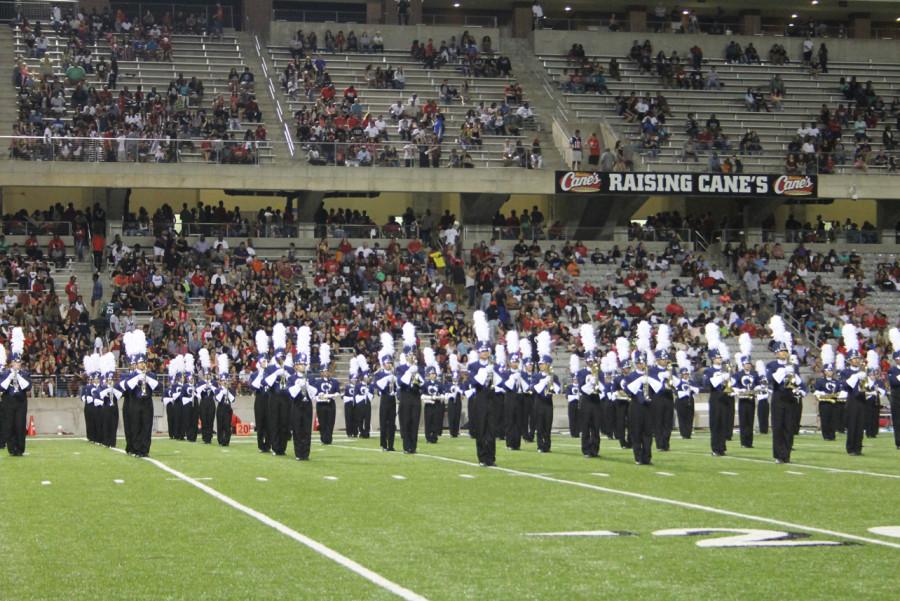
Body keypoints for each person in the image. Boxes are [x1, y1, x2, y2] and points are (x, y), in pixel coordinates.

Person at [766, 317, 804, 464]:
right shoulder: (772, 365)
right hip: (778, 398)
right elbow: (771, 380)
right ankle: (778, 454)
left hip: (790, 398)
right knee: (778, 427)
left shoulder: (793, 366)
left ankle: (787, 454)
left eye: (785, 350)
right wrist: (783, 370)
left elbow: (799, 382)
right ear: (776, 352)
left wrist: (794, 375)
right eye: (781, 351)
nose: (784, 353)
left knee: (789, 427)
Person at [118, 330, 158, 458]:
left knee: (147, 426)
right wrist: (138, 376)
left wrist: (145, 376)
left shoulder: (150, 374)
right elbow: (126, 387)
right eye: (140, 363)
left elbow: (157, 386)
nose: (142, 365)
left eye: (143, 362)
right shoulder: (129, 376)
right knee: (134, 426)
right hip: (134, 402)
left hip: (147, 402)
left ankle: (144, 449)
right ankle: (135, 448)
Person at [622, 329, 654, 466]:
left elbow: (658, 389)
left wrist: (650, 379)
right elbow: (629, 390)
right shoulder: (630, 376)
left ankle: (647, 456)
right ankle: (638, 456)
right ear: (635, 362)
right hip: (635, 407)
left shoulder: (651, 374)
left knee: (648, 433)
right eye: (640, 362)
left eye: (644, 362)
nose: (642, 364)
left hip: (648, 407)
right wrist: (641, 380)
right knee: (636, 432)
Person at [470, 311, 496, 466]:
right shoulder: (474, 365)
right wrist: (484, 371)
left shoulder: (493, 365)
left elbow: (499, 384)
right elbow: (475, 383)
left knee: (491, 429)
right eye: (483, 351)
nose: (485, 353)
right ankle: (482, 457)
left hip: (492, 398)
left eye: (487, 350)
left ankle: (491, 457)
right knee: (481, 428)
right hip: (480, 398)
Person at [1, 329, 32, 457]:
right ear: (11, 363)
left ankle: (20, 448)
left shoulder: (25, 374)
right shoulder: (4, 374)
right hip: (8, 401)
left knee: (19, 425)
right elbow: (2, 387)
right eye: (15, 362)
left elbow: (28, 387)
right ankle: (11, 448)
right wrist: (10, 376)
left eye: (19, 362)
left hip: (20, 401)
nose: (17, 364)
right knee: (9, 425)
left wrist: (18, 376)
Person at [264, 323, 293, 456]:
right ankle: (275, 447)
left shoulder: (289, 369)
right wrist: (276, 373)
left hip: (286, 397)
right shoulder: (270, 369)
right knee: (274, 422)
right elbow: (265, 383)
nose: (281, 359)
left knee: (285, 423)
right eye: (279, 357)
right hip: (274, 397)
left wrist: (286, 373)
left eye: (283, 357)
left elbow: (293, 381)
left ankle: (283, 447)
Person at [703, 323, 732, 457]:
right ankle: (715, 447)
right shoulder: (709, 370)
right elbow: (710, 383)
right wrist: (722, 376)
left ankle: (722, 447)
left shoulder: (724, 369)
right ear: (712, 358)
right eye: (717, 357)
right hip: (715, 398)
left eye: (720, 357)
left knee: (724, 423)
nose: (719, 359)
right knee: (715, 424)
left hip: (725, 398)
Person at [577, 324, 603, 457]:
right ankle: (586, 449)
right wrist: (591, 381)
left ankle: (595, 449)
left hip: (597, 401)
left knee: (596, 427)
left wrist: (597, 379)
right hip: (586, 401)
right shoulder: (581, 373)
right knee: (586, 426)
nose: (591, 362)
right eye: (589, 360)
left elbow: (603, 389)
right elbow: (583, 389)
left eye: (593, 360)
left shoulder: (600, 372)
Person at [396, 322, 423, 454]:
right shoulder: (400, 368)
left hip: (416, 396)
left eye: (413, 354)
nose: (412, 356)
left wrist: (416, 372)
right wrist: (409, 372)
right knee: (406, 421)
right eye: (410, 355)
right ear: (406, 355)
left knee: (415, 421)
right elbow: (401, 383)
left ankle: (413, 446)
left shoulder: (419, 367)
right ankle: (406, 446)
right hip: (406, 396)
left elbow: (422, 383)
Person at [287, 327, 313, 460]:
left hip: (307, 405)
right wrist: (299, 385)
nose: (303, 366)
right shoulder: (291, 378)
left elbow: (314, 394)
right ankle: (298, 453)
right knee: (297, 430)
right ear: (296, 365)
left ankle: (306, 453)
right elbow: (291, 393)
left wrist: (307, 385)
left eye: (304, 363)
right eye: (301, 364)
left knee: (307, 431)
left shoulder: (309, 376)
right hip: (296, 405)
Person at [732, 335, 762, 449]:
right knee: (743, 421)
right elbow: (734, 386)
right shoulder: (738, 374)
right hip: (743, 400)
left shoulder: (754, 374)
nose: (748, 365)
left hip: (751, 399)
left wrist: (757, 388)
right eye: (746, 364)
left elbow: (759, 384)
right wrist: (740, 390)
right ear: (743, 364)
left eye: (749, 364)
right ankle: (744, 442)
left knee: (750, 420)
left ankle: (749, 442)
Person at [532, 332, 560, 453]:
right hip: (538, 403)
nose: (540, 365)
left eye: (543, 364)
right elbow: (536, 389)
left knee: (548, 426)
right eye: (540, 364)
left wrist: (552, 382)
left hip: (548, 403)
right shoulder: (536, 376)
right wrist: (545, 381)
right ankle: (540, 445)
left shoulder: (553, 376)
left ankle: (547, 445)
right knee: (539, 425)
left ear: (548, 364)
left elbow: (557, 390)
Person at [650, 326, 675, 451]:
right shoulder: (653, 370)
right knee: (658, 421)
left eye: (666, 359)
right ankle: (660, 443)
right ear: (658, 359)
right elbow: (654, 385)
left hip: (669, 397)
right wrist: (661, 377)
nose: (665, 361)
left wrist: (673, 379)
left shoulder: (671, 369)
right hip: (658, 398)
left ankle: (666, 442)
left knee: (668, 422)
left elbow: (677, 383)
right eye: (663, 359)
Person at [311, 343, 340, 445]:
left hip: (330, 404)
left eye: (327, 371)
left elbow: (337, 392)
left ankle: (329, 438)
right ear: (321, 372)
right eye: (324, 371)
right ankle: (323, 438)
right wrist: (320, 397)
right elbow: (314, 395)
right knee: (322, 422)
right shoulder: (317, 382)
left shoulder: (334, 381)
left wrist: (332, 395)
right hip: (321, 404)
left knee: (330, 421)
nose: (326, 373)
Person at [374, 333, 398, 452]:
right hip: (384, 399)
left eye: (390, 363)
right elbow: (377, 385)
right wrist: (387, 378)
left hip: (392, 399)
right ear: (383, 364)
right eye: (388, 363)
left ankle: (391, 445)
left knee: (392, 423)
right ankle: (383, 444)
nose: (389, 365)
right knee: (384, 422)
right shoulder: (379, 374)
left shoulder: (394, 373)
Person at [500, 332, 524, 449]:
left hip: (519, 399)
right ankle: (510, 443)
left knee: (519, 421)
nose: (515, 363)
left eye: (517, 361)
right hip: (509, 398)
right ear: (509, 362)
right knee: (509, 421)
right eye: (513, 362)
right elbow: (505, 386)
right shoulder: (506, 373)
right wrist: (512, 377)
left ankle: (517, 443)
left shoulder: (521, 373)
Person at [813, 344, 841, 441]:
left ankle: (832, 435)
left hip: (834, 403)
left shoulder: (836, 382)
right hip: (824, 403)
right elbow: (816, 393)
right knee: (825, 419)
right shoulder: (820, 381)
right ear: (824, 371)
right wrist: (826, 396)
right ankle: (826, 435)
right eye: (828, 370)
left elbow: (839, 392)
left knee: (833, 419)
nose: (830, 372)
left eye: (831, 370)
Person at [250, 330, 270, 452]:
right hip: (259, 399)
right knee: (260, 422)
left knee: (269, 422)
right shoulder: (255, 374)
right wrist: (260, 375)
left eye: (266, 361)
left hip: (269, 399)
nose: (264, 363)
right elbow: (252, 387)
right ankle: (260, 444)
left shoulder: (271, 373)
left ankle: (268, 444)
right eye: (262, 361)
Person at [421, 348, 446, 444]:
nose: (433, 375)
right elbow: (422, 394)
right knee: (428, 421)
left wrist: (441, 397)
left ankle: (434, 437)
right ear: (428, 374)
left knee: (436, 421)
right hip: (428, 404)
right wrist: (428, 398)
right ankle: (428, 437)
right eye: (431, 374)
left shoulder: (439, 383)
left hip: (437, 404)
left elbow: (442, 392)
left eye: (434, 374)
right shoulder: (425, 384)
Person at [673, 351, 697, 439]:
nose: (686, 375)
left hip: (690, 400)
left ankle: (688, 433)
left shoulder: (691, 382)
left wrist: (691, 388)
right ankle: (684, 433)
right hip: (681, 401)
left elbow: (697, 389)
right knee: (682, 417)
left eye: (687, 374)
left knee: (690, 417)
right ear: (681, 375)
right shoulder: (678, 382)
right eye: (684, 374)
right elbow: (676, 391)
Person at [215, 353, 235, 447]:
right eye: (223, 381)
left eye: (226, 381)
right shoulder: (218, 389)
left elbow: (232, 399)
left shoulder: (231, 389)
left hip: (227, 408)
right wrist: (222, 391)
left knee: (227, 426)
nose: (224, 382)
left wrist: (227, 390)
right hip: (220, 408)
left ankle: (226, 441)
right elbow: (217, 398)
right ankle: (220, 440)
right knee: (220, 425)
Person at [197, 349, 217, 444]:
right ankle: (205, 437)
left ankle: (209, 436)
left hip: (211, 401)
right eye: (206, 375)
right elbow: (197, 392)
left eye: (208, 374)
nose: (207, 376)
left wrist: (210, 385)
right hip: (204, 401)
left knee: (210, 419)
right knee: (204, 419)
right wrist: (205, 385)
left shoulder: (213, 382)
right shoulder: (200, 382)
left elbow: (216, 391)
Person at [355, 355, 373, 438]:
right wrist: (363, 396)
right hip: (360, 404)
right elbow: (356, 396)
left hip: (367, 404)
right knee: (360, 419)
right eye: (367, 376)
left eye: (368, 377)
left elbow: (372, 395)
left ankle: (367, 432)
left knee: (367, 419)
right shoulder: (358, 385)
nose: (368, 378)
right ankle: (361, 431)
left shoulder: (370, 386)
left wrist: (368, 394)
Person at [344, 357, 359, 438]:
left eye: (356, 379)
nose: (355, 380)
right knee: (349, 418)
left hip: (356, 404)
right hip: (349, 404)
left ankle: (355, 432)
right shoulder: (347, 387)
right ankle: (349, 432)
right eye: (353, 379)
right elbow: (344, 396)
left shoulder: (357, 386)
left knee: (356, 418)